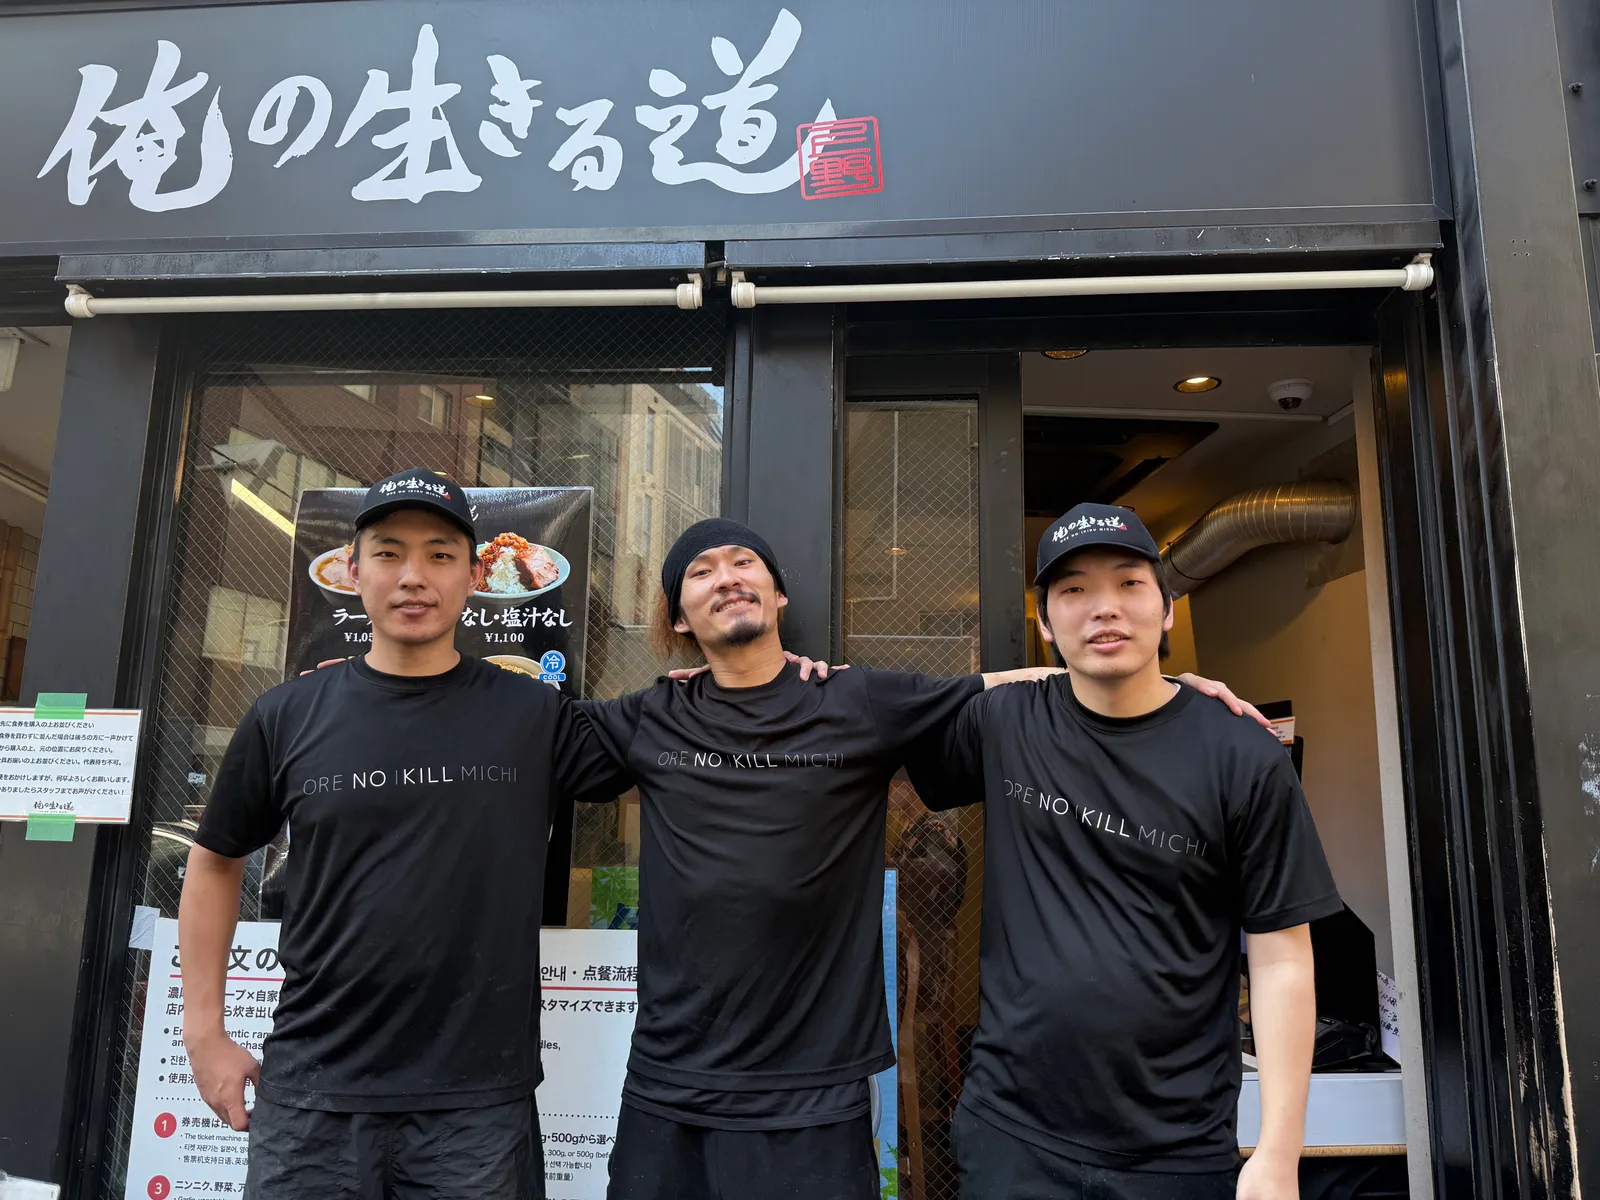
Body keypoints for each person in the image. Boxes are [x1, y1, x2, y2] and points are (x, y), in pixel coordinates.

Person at [581, 518, 1266, 1200]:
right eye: (701, 572)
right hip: (669, 1086)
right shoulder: (649, 716)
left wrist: (1164, 684)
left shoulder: (856, 698)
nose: (727, 578)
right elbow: (527, 739)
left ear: (779, 593)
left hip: (816, 1091)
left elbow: (1003, 686)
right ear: (676, 615)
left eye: (743, 563)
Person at [179, 468, 630, 1200]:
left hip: (476, 1106)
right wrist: (204, 1034)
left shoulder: (534, 716)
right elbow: (214, 863)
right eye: (388, 553)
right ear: (352, 570)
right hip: (312, 1097)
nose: (412, 576)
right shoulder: (286, 714)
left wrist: (775, 671)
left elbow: (682, 734)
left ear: (477, 573)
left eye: (440, 555)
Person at [907, 502, 1342, 1200]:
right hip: (1014, 1137)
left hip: (1176, 1151)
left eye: (1130, 585)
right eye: (1074, 591)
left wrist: (1278, 1151)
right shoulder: (1005, 724)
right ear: (1044, 622)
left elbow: (1282, 951)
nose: (1103, 608)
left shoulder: (1241, 753)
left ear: (1167, 608)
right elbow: (874, 718)